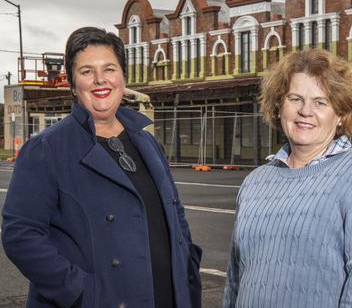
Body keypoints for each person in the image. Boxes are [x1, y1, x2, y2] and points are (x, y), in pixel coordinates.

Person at [2, 27, 202, 307]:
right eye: (86, 71)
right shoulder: (47, 149)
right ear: (73, 84)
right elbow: (20, 235)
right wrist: (81, 292)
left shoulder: (146, 141)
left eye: (109, 68)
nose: (100, 80)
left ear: (122, 77)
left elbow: (174, 212)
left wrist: (187, 269)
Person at [223, 49, 352, 307]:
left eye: (320, 102)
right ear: (278, 106)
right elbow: (234, 281)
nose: (305, 111)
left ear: (340, 114)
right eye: (295, 99)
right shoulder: (255, 182)